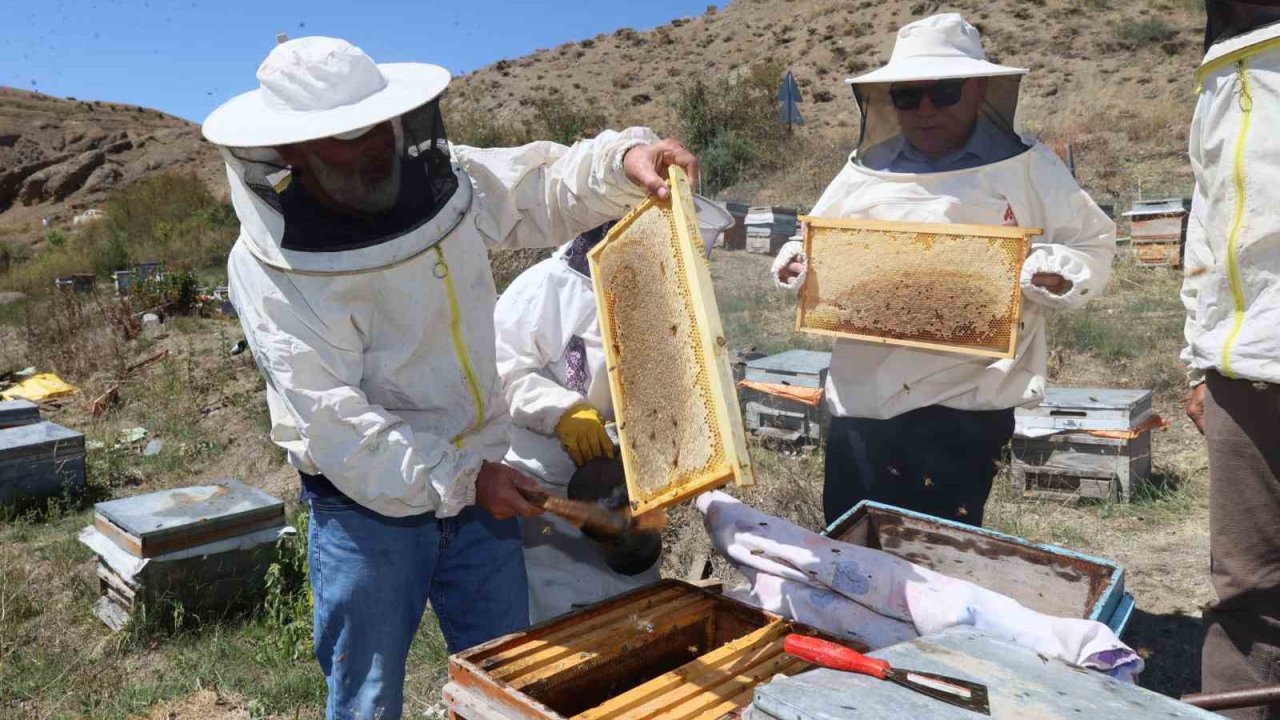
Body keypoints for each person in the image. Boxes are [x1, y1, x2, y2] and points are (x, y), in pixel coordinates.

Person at [202, 36, 697, 720]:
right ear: (293, 151)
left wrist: (620, 162)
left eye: (381, 125)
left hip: (480, 490)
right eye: (349, 138)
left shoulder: (443, 182)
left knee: (507, 676)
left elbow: (540, 189)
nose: (376, 146)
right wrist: (466, 479)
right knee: (368, 697)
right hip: (365, 511)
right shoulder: (269, 272)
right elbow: (336, 422)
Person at [771, 13, 1116, 527]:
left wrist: (1056, 272)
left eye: (945, 91)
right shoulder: (863, 172)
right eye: (908, 97)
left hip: (969, 399)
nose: (925, 109)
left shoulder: (1027, 167)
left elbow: (1091, 244)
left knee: (939, 553)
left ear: (978, 90)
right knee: (853, 547)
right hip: (864, 395)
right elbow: (812, 240)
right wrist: (797, 262)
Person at [1183, 5, 1280, 717]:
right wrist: (1202, 356)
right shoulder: (1224, 72)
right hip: (1244, 375)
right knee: (1246, 589)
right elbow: (1213, 224)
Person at [494, 222, 661, 623]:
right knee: (557, 630)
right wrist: (562, 410)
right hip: (545, 494)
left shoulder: (659, 294)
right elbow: (501, 373)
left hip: (628, 488)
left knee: (636, 618)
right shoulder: (541, 289)